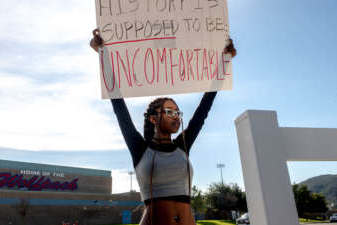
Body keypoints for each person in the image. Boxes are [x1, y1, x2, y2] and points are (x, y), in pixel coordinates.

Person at [90, 29, 236, 225]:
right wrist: (102, 55)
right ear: (152, 119)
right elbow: (118, 106)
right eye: (168, 112)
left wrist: (224, 61)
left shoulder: (183, 145)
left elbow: (204, 107)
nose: (175, 116)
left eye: (177, 113)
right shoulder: (140, 149)